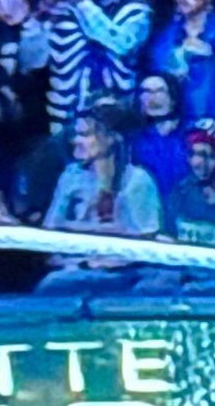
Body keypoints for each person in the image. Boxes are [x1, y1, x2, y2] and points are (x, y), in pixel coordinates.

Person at [38, 110, 164, 288]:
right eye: (76, 134)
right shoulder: (70, 176)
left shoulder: (137, 179)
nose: (75, 141)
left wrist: (74, 230)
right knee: (51, 285)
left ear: (111, 138)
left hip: (125, 273)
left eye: (85, 135)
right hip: (75, 268)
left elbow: (145, 238)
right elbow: (50, 230)